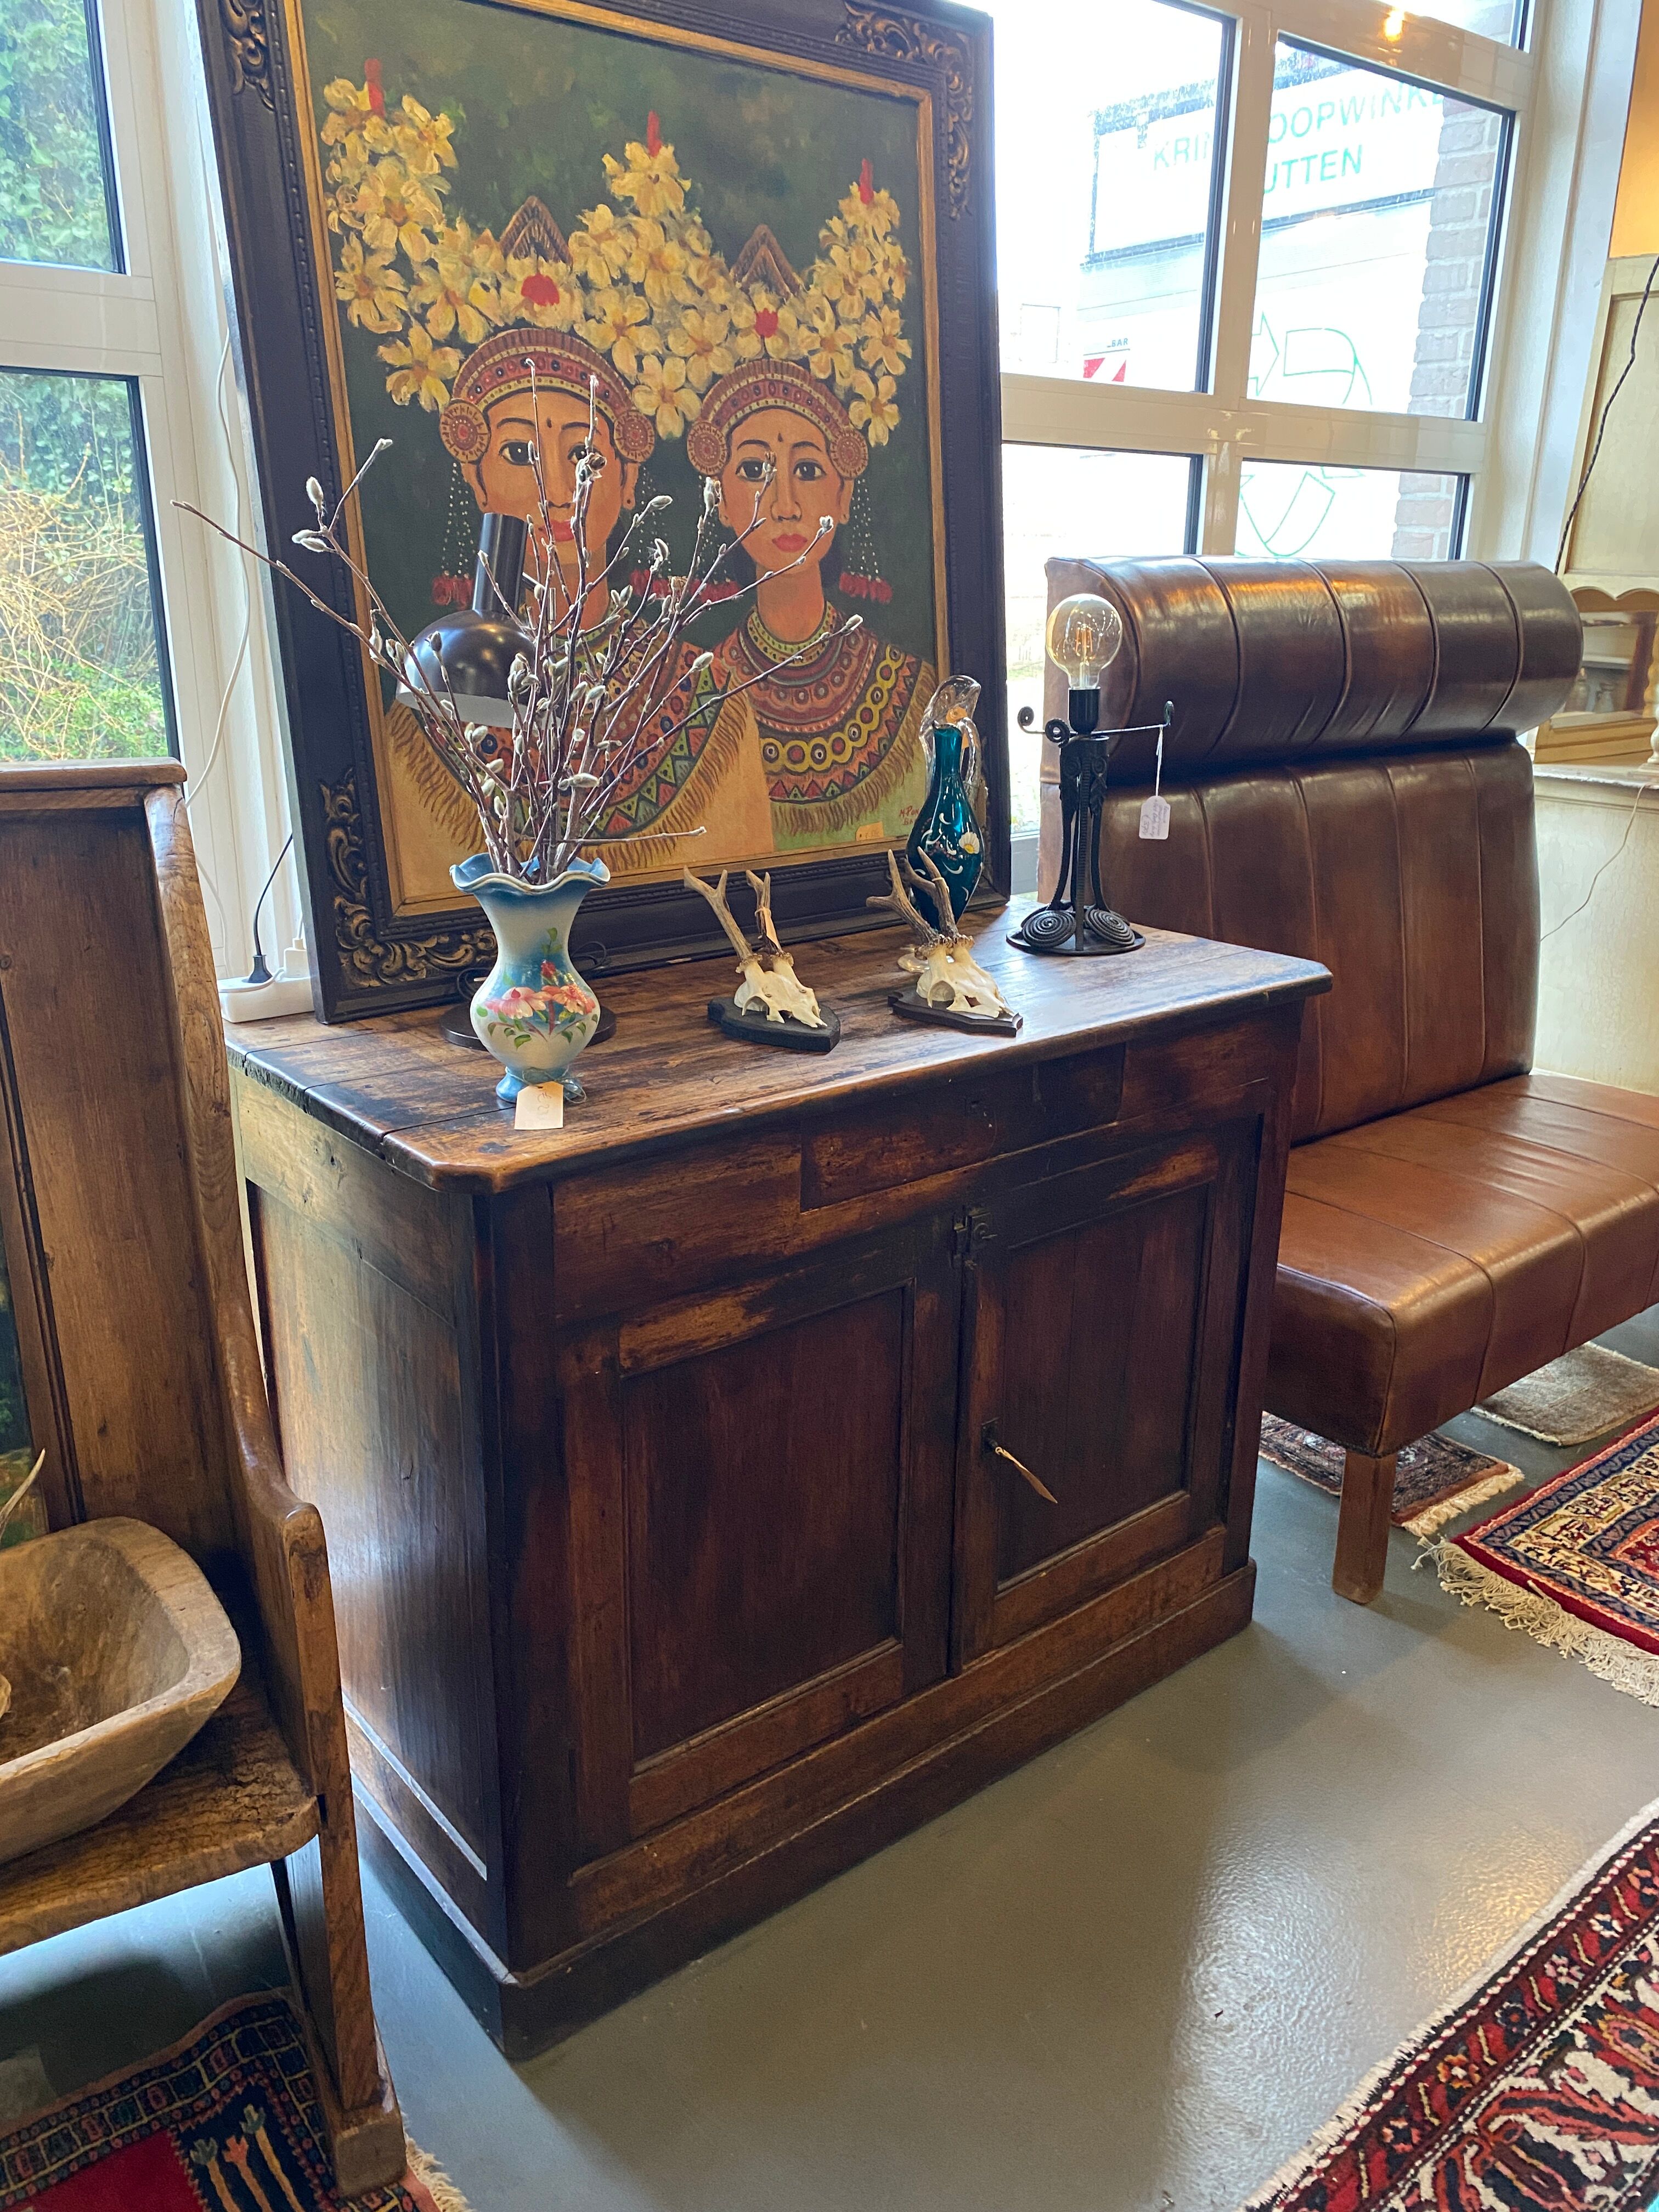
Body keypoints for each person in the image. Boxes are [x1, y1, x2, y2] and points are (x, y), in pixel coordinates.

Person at [689, 357, 933, 850]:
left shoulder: (908, 689)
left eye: (808, 470)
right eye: (754, 470)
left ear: (842, 496)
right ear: (722, 501)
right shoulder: (697, 698)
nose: (785, 505)